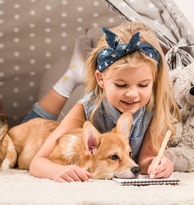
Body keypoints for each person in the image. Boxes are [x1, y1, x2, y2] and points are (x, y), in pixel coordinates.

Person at [24, 21, 181, 183]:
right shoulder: (88, 106)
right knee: (28, 127)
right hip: (35, 130)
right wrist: (58, 171)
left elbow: (145, 161)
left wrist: (159, 164)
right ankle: (71, 77)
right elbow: (37, 162)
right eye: (121, 84)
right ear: (101, 79)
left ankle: (77, 73)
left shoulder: (154, 110)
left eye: (143, 84)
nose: (132, 94)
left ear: (154, 81)